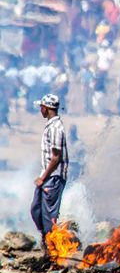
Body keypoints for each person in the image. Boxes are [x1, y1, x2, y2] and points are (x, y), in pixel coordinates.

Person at [30, 94, 69, 255]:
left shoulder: (55, 128)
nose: (40, 109)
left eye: (41, 107)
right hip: (48, 176)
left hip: (53, 178)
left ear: (46, 108)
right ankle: (47, 241)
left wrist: (43, 177)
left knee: (48, 217)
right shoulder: (51, 126)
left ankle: (53, 252)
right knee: (36, 210)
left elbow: (56, 157)